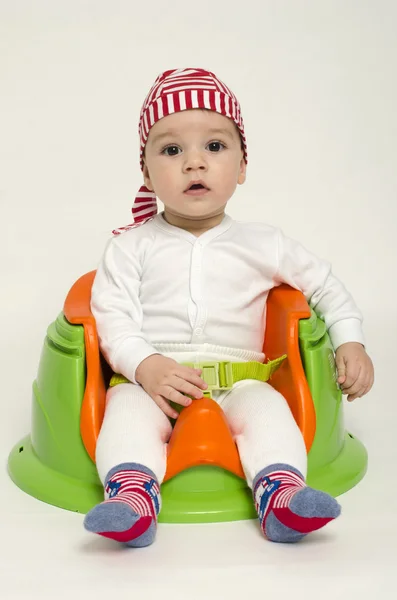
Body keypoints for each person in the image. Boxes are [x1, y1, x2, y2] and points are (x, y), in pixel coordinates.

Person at [83, 68, 374, 547]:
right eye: (171, 149)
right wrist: (145, 366)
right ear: (146, 172)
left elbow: (326, 286)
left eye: (214, 147)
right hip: (154, 383)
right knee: (126, 413)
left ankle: (282, 497)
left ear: (242, 166)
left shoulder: (265, 243)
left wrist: (351, 340)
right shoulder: (130, 247)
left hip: (241, 381)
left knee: (270, 412)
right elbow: (111, 316)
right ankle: (132, 498)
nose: (194, 163)